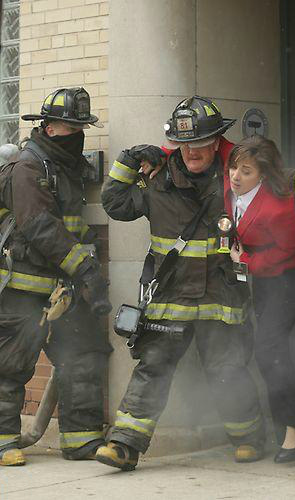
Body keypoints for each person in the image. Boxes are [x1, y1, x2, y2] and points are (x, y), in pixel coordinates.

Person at [97, 96, 266, 471]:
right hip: (171, 295)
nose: (192, 151)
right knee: (153, 365)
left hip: (220, 295)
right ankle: (124, 444)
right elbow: (116, 205)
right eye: (184, 143)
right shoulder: (159, 181)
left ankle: (248, 436)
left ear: (216, 142)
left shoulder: (232, 177)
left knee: (227, 369)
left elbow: (271, 196)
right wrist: (128, 160)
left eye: (201, 143)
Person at [0, 87, 112, 466]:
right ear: (48, 128)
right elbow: (39, 226)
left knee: (83, 355)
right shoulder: (28, 167)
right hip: (23, 287)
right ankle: (3, 442)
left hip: (64, 287)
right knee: (11, 363)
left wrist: (88, 267)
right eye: (69, 127)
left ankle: (82, 440)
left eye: (80, 127)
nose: (76, 134)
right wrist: (84, 268)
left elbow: (72, 227)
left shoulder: (68, 169)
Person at [226, 135, 295, 463]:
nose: (235, 176)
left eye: (246, 171)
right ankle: (288, 424)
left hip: (290, 277)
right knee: (268, 350)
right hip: (264, 278)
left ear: (262, 175)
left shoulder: (277, 208)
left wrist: (246, 263)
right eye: (234, 168)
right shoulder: (232, 185)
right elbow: (217, 146)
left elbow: (292, 249)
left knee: (269, 349)